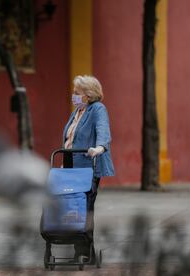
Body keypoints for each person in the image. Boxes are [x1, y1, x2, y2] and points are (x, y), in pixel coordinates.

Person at [62, 75, 115, 262]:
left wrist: (99, 148)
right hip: (70, 166)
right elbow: (71, 139)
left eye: (77, 93)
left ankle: (83, 252)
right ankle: (86, 252)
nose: (73, 95)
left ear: (88, 95)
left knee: (84, 208)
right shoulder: (77, 112)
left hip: (87, 166)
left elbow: (103, 130)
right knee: (74, 209)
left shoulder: (97, 109)